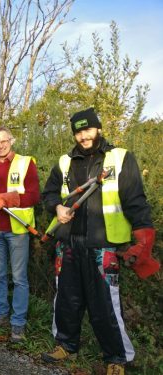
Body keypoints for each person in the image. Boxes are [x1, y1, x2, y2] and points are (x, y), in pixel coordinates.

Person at [41, 108, 156, 375]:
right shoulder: (64, 162)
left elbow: (136, 201)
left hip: (102, 245)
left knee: (105, 302)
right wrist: (56, 208)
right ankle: (65, 345)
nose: (83, 136)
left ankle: (117, 357)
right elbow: (48, 194)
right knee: (67, 298)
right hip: (68, 242)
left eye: (88, 129)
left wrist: (143, 235)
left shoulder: (120, 158)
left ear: (98, 128)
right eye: (78, 131)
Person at [0, 126, 40, 343]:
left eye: (4, 141)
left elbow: (33, 196)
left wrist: (4, 198)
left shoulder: (25, 163)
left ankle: (18, 324)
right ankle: (0, 315)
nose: (0, 145)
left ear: (11, 140)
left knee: (20, 278)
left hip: (18, 232)